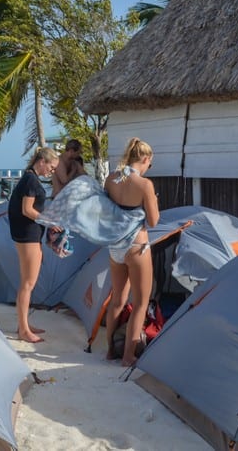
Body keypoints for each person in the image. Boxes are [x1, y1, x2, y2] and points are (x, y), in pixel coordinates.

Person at [103, 138, 159, 366]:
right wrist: (153, 201)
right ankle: (128, 356)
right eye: (149, 164)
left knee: (117, 300)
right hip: (136, 246)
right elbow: (154, 221)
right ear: (145, 159)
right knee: (140, 304)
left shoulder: (111, 179)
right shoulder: (145, 185)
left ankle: (109, 351)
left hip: (115, 245)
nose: (148, 168)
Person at [8, 146, 59, 343]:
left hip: (28, 235)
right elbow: (27, 209)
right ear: (41, 161)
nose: (52, 171)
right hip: (27, 235)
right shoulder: (30, 179)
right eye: (51, 167)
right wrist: (49, 222)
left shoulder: (29, 178)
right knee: (27, 284)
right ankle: (23, 330)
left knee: (28, 282)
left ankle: (24, 325)